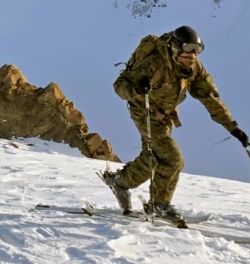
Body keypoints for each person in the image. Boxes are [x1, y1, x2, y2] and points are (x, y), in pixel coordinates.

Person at [102, 26, 248, 222]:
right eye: (188, 48)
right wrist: (136, 89)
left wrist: (233, 128)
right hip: (143, 112)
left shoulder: (194, 69)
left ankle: (120, 182)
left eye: (197, 49)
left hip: (165, 116)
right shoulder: (154, 63)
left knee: (152, 157)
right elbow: (119, 87)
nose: (192, 54)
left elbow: (210, 97)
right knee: (173, 159)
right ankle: (158, 204)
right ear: (174, 47)